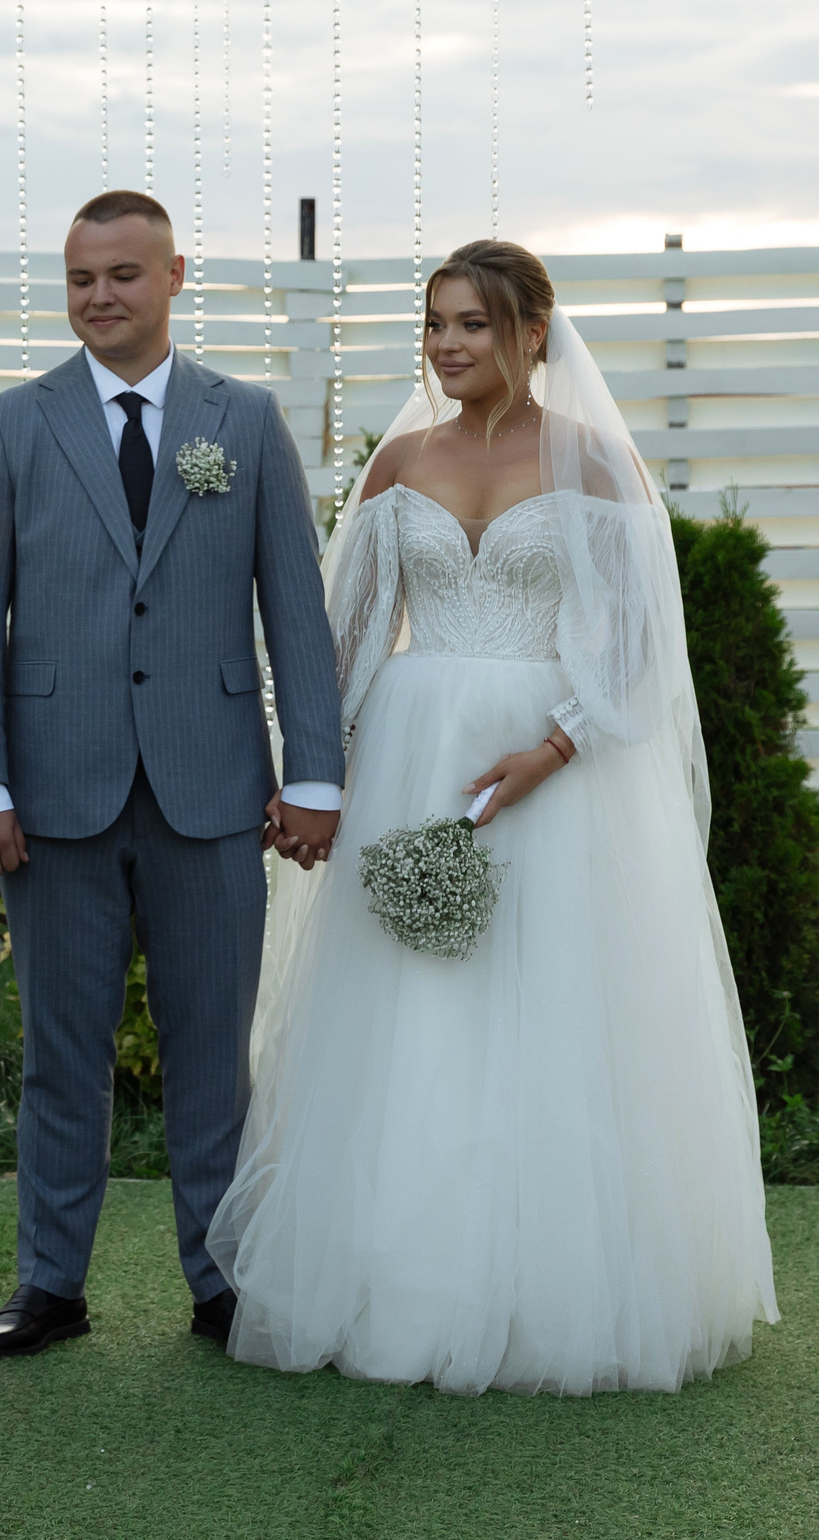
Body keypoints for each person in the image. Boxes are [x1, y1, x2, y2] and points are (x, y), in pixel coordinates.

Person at [207, 240, 780, 1393]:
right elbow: (346, 643)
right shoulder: (398, 464)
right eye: (434, 324)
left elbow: (634, 650)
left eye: (472, 323)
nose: (449, 344)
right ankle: (399, 1279)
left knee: (548, 1013)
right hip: (412, 763)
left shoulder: (595, 464)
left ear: (532, 334)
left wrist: (551, 749)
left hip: (552, 774)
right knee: (408, 1016)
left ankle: (551, 1291)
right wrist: (320, 772)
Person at [0, 190, 346, 1359]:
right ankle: (50, 1285)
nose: (99, 297)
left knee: (212, 1053)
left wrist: (312, 772)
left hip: (211, 790)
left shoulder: (246, 420)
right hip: (51, 796)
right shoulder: (13, 427)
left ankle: (223, 1284)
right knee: (59, 1054)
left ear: (174, 278)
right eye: (79, 279)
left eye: (122, 274)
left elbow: (297, 617)